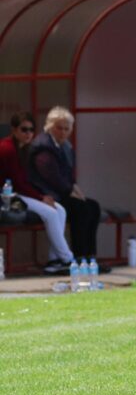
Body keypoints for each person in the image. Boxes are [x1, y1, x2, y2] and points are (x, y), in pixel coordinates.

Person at [0, 112, 74, 274]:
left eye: (31, 130)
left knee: (60, 210)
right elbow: (18, 182)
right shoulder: (7, 149)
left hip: (17, 193)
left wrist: (42, 197)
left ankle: (54, 260)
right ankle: (68, 258)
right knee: (51, 213)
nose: (28, 134)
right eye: (24, 129)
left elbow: (26, 181)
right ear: (13, 130)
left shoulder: (25, 149)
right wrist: (41, 197)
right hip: (6, 197)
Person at [27, 107, 102, 261]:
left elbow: (69, 177)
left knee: (93, 206)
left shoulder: (65, 146)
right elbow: (53, 178)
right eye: (59, 128)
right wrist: (72, 192)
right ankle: (80, 255)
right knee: (80, 209)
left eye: (66, 129)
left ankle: (90, 255)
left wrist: (78, 192)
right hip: (47, 195)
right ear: (50, 127)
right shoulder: (43, 146)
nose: (63, 132)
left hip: (62, 193)